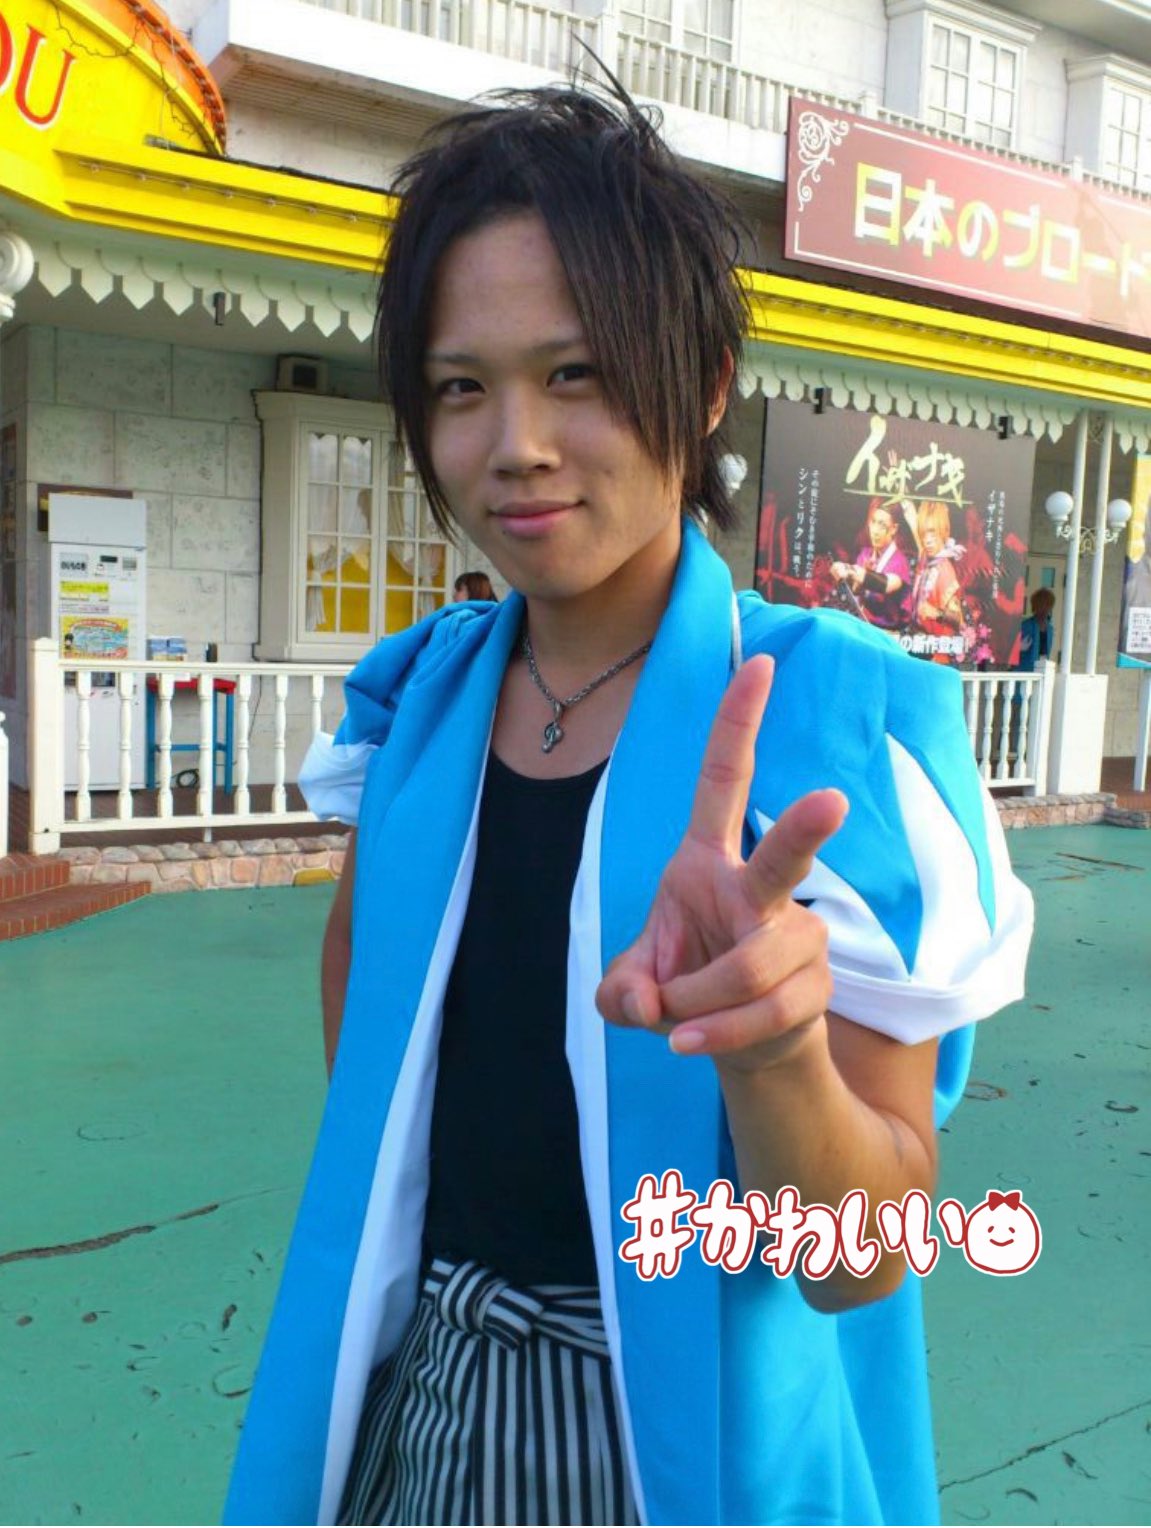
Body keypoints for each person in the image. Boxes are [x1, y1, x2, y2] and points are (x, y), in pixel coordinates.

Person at [226, 80, 1033, 1528]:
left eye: (577, 373)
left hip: (688, 1452)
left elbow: (862, 1256)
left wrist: (775, 1051)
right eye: (459, 387)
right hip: (423, 1412)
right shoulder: (414, 711)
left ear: (704, 382)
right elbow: (373, 1121)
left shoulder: (833, 727)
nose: (514, 444)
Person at [829, 498, 911, 630]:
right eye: (873, 522)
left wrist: (852, 571)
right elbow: (856, 592)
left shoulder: (899, 562)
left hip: (888, 633)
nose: (875, 531)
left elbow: (886, 585)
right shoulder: (865, 554)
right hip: (864, 625)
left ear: (893, 529)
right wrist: (852, 580)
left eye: (882, 525)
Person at [905, 499, 965, 639]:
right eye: (924, 534)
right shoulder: (927, 558)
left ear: (944, 531)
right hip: (918, 637)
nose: (927, 540)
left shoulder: (945, 571)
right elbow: (919, 541)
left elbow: (959, 621)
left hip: (936, 645)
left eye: (932, 533)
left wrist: (935, 613)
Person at [1011, 587, 1056, 672]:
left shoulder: (1050, 629)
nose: (1044, 609)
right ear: (1035, 607)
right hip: (1023, 670)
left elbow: (1047, 652)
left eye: (1047, 605)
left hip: (1042, 670)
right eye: (1041, 606)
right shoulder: (1026, 626)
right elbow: (1012, 652)